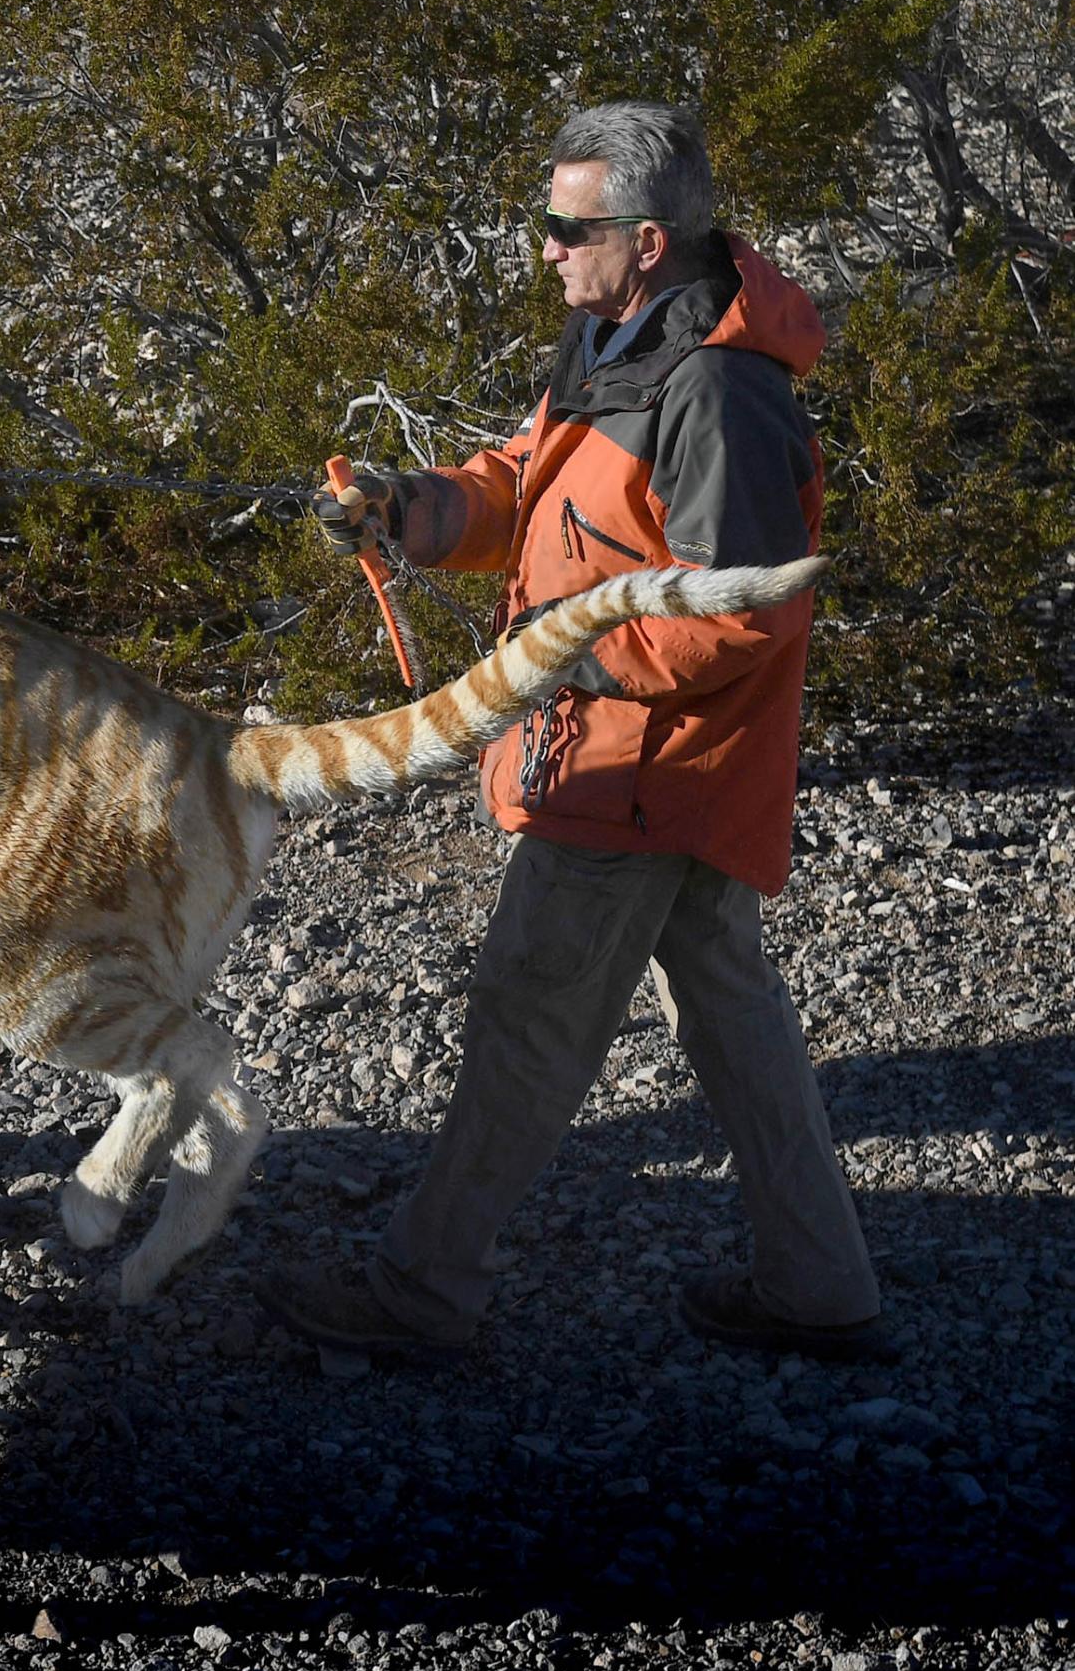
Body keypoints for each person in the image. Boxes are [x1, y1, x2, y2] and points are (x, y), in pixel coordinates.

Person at [256, 101, 889, 1364]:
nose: (544, 247)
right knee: (730, 1010)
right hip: (651, 774)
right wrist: (414, 507)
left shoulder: (717, 391)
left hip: (638, 776)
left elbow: (740, 617)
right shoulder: (617, 335)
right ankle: (819, 1289)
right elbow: (527, 487)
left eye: (565, 226)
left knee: (526, 1013)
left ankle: (423, 1297)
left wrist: (547, 660)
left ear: (647, 239)